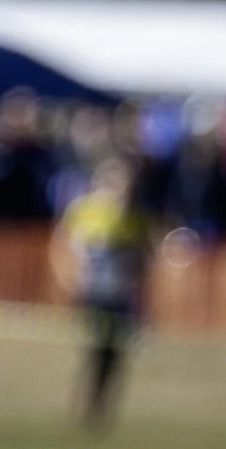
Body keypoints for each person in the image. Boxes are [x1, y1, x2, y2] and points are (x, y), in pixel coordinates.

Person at [52, 151, 152, 428]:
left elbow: (144, 258)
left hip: (122, 296)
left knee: (114, 353)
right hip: (93, 293)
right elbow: (63, 246)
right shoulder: (84, 210)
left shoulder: (136, 217)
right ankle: (88, 398)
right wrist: (69, 281)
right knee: (96, 348)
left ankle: (100, 402)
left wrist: (141, 292)